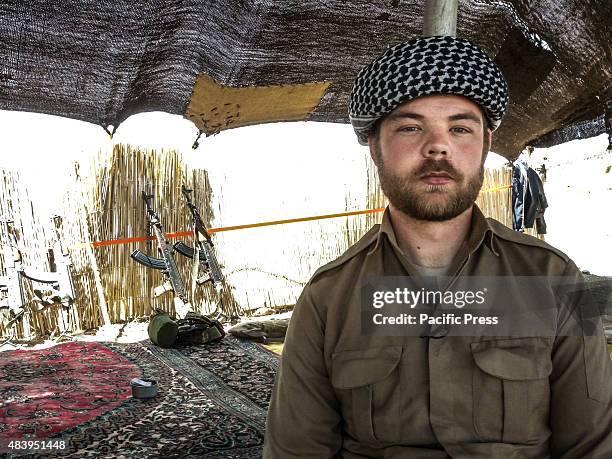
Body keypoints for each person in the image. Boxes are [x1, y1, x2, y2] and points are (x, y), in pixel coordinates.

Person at [263, 36, 612, 458]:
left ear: (485, 144)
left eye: (460, 128)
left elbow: (594, 444)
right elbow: (296, 451)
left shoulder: (555, 278)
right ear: (375, 147)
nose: (437, 147)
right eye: (411, 127)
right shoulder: (328, 297)